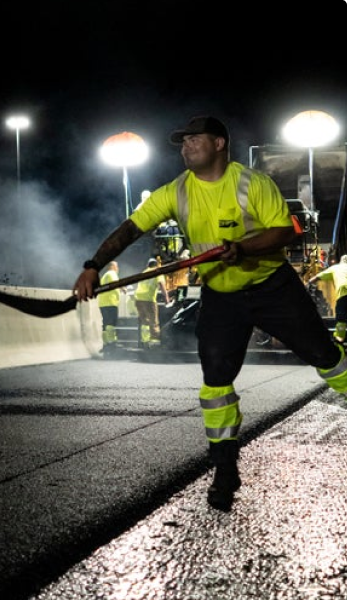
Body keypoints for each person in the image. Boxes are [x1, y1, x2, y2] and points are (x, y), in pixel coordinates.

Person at [74, 115, 347, 512]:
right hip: (221, 295)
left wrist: (242, 247)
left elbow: (286, 231)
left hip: (273, 288)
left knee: (325, 356)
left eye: (193, 139)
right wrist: (92, 265)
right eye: (182, 142)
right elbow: (130, 229)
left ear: (219, 144)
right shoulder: (176, 191)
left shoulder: (252, 183)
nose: (185, 146)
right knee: (215, 379)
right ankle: (224, 468)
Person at [308, 254, 347, 342]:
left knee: (341, 318)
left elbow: (317, 277)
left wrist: (308, 283)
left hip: (344, 294)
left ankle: (339, 340)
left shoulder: (336, 268)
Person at [134, 257, 171, 346]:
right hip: (148, 299)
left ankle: (144, 341)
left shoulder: (144, 272)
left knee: (144, 322)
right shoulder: (157, 272)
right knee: (154, 322)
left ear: (148, 265)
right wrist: (167, 299)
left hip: (138, 299)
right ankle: (154, 343)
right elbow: (162, 285)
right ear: (156, 265)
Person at [97, 261, 124, 352]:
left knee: (105, 323)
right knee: (111, 323)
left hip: (103, 303)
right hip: (110, 302)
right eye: (117, 266)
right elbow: (116, 283)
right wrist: (123, 289)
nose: (118, 268)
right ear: (112, 266)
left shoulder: (104, 276)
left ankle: (105, 344)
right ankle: (112, 343)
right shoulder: (112, 273)